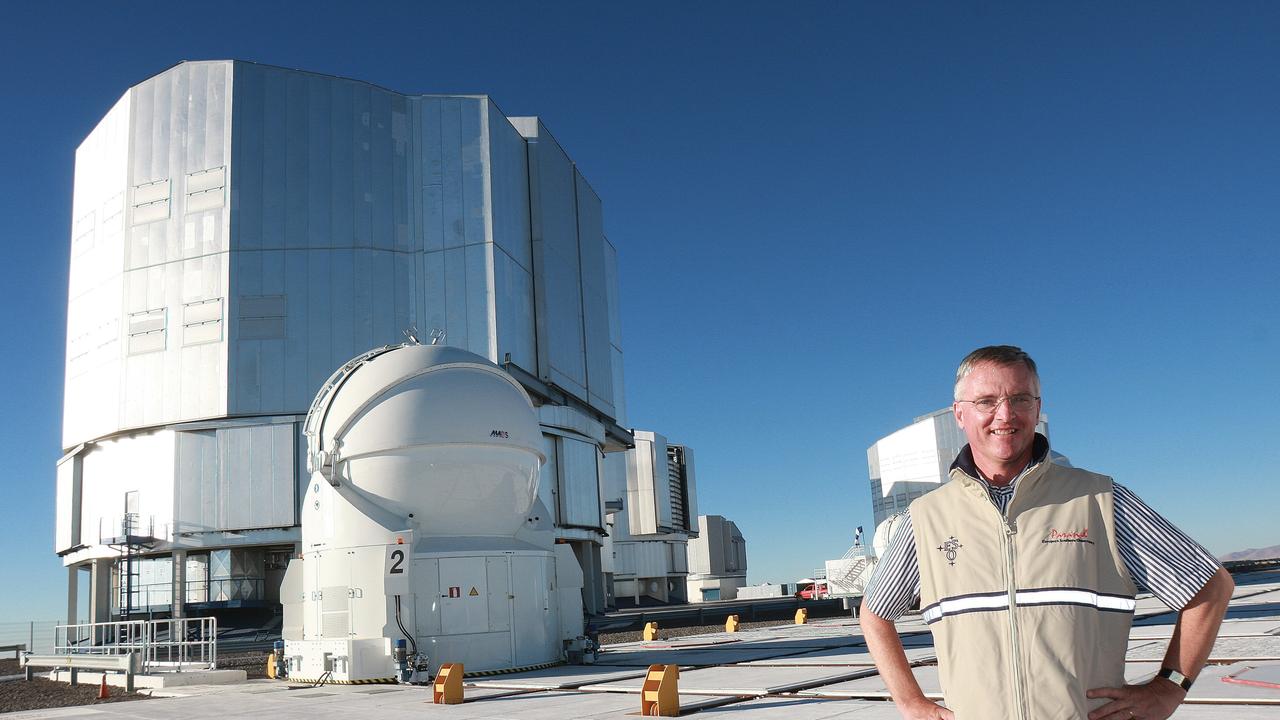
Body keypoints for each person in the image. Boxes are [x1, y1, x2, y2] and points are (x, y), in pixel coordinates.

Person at [860, 345, 1234, 720]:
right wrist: (911, 702)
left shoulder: (1100, 500)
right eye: (986, 401)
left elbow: (1210, 587)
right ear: (960, 413)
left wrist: (1169, 687)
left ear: (1037, 409)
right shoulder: (925, 518)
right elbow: (875, 615)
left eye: (1020, 399)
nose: (1005, 414)